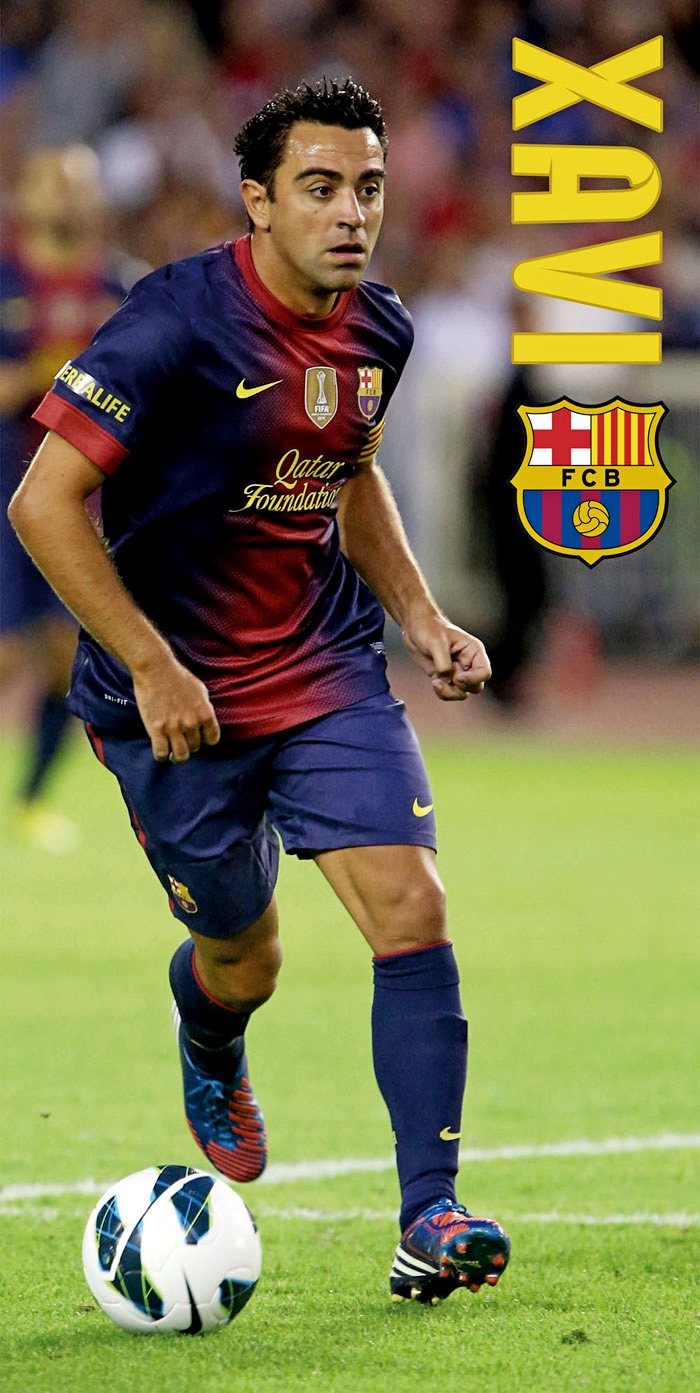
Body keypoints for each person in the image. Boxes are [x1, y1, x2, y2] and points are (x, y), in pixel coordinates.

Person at [9, 78, 510, 1303]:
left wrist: (420, 616)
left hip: (322, 667)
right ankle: (211, 1031)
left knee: (411, 909)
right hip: (171, 702)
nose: (351, 214)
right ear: (258, 199)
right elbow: (41, 501)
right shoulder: (171, 325)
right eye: (320, 188)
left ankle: (429, 1213)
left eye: (368, 189)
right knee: (245, 955)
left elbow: (347, 471)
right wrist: (151, 661)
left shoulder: (378, 326)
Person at [0, 145, 124, 852]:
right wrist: (41, 376)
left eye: (80, 186)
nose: (67, 199)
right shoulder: (6, 281)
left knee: (63, 653)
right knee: (5, 655)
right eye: (53, 184)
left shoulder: (119, 286)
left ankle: (31, 801)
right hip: (4, 482)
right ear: (26, 197)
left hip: (82, 494)